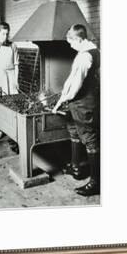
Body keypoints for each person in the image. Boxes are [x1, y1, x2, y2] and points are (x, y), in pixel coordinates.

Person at [52, 24, 100, 197]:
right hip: (77, 102)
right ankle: (76, 167)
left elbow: (75, 85)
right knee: (74, 131)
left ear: (79, 39)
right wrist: (63, 98)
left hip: (84, 104)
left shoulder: (85, 56)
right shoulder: (91, 50)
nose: (70, 45)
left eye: (71, 42)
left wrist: (61, 101)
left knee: (89, 139)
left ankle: (95, 183)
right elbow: (72, 81)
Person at [0, 21, 20, 140]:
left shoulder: (13, 46)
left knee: (12, 104)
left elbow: (16, 65)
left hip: (10, 77)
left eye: (7, 34)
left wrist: (16, 80)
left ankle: (13, 130)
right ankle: (1, 129)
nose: (5, 37)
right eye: (3, 34)